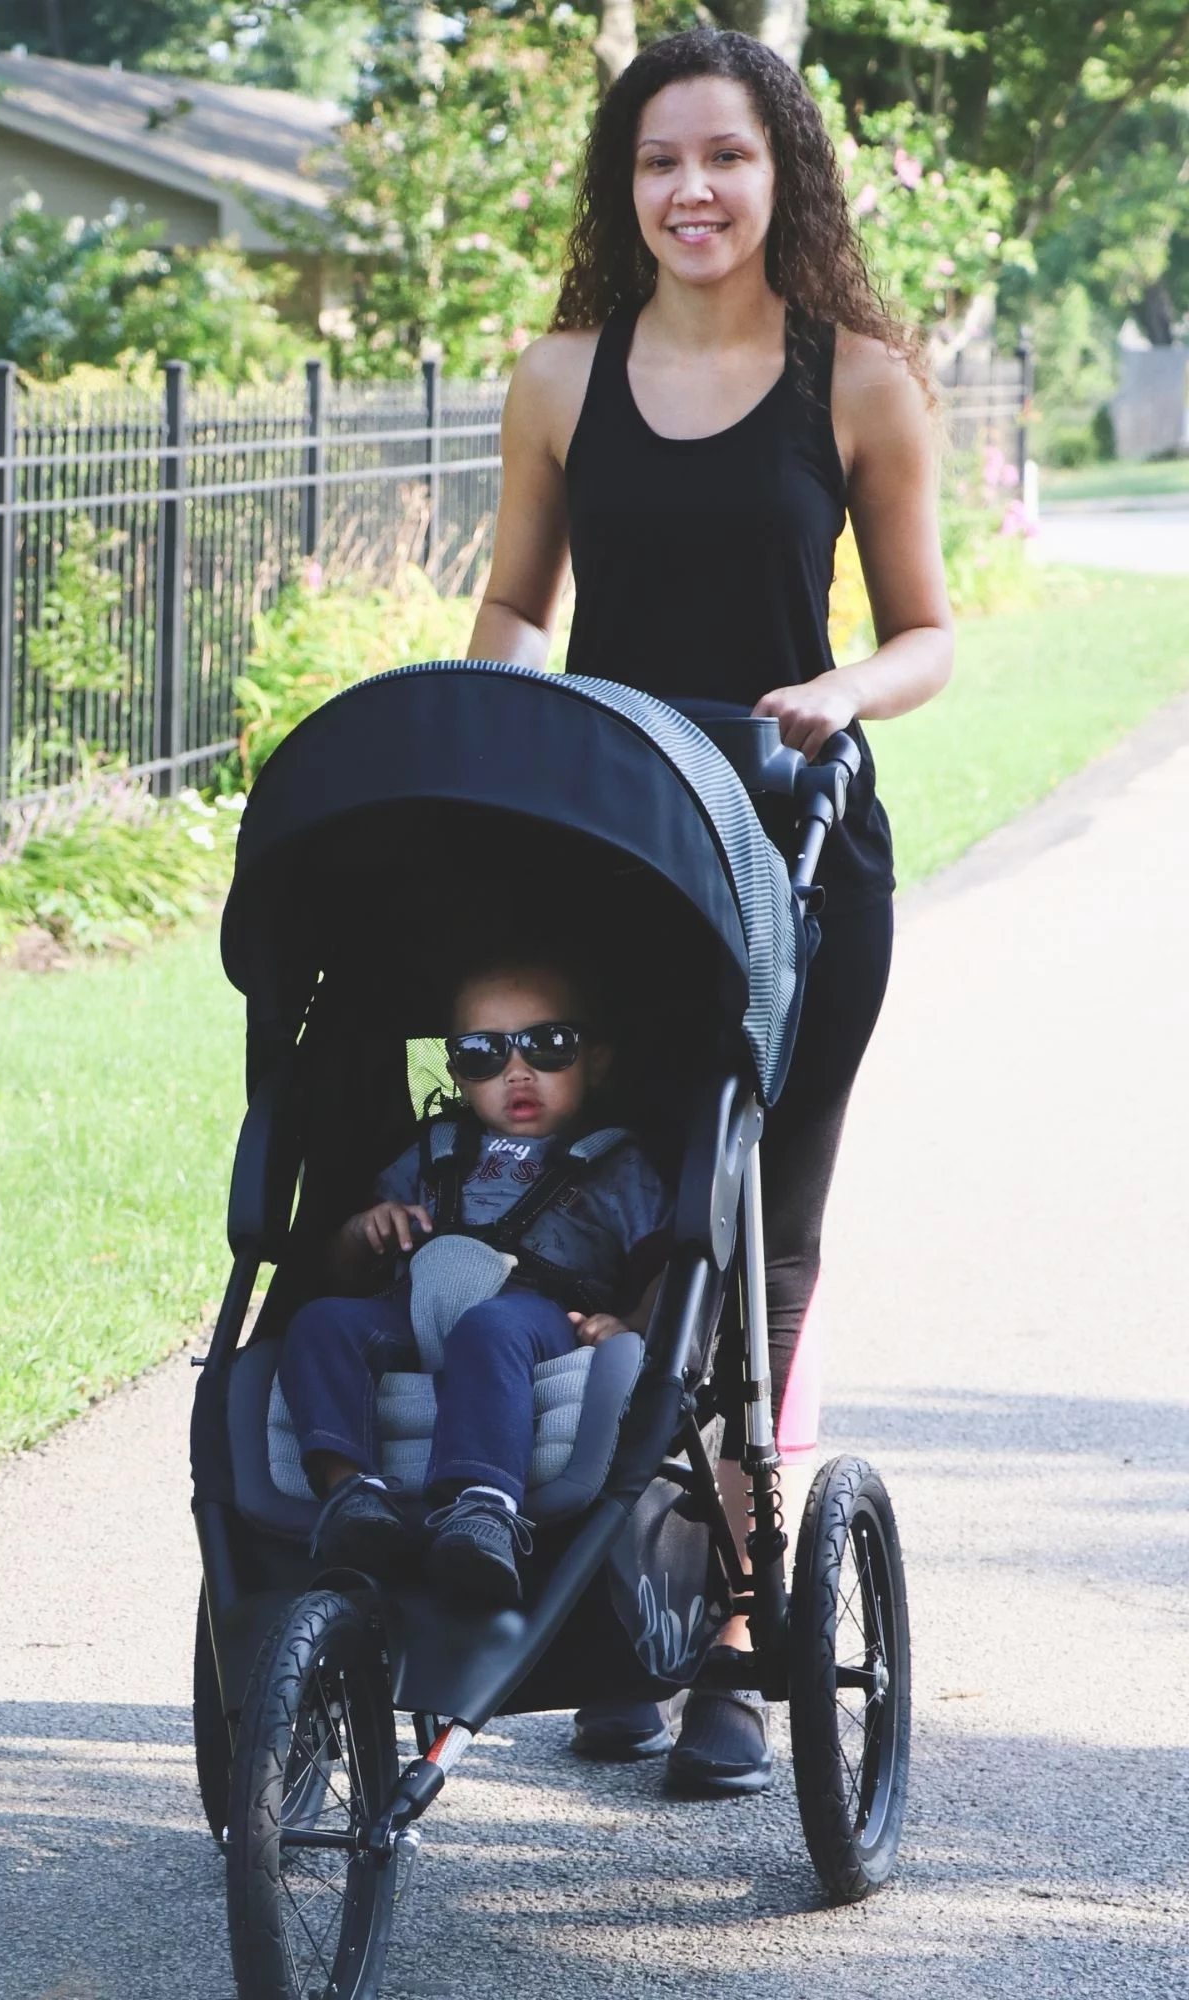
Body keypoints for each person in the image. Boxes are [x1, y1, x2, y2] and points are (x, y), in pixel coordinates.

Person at [465, 28, 953, 1794]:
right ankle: (621, 1612)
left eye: (726, 160)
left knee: (755, 1240)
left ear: (780, 176)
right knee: (610, 1225)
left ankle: (739, 1646)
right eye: (660, 161)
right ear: (625, 186)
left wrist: (843, 692)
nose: (693, 191)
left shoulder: (860, 380)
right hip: (611, 858)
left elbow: (927, 632)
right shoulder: (557, 378)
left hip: (801, 859)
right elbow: (519, 605)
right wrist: (481, 702)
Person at [277, 957, 671, 1607]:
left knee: (491, 1328)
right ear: (459, 1074)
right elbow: (341, 1268)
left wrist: (632, 1322)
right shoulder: (432, 1151)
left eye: (549, 1046)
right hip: (414, 1306)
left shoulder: (619, 1164)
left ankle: (483, 1506)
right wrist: (365, 1231)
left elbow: (668, 1266)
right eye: (483, 1053)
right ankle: (350, 1492)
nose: (517, 1071)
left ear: (596, 1061)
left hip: (541, 1314)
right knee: (319, 1321)